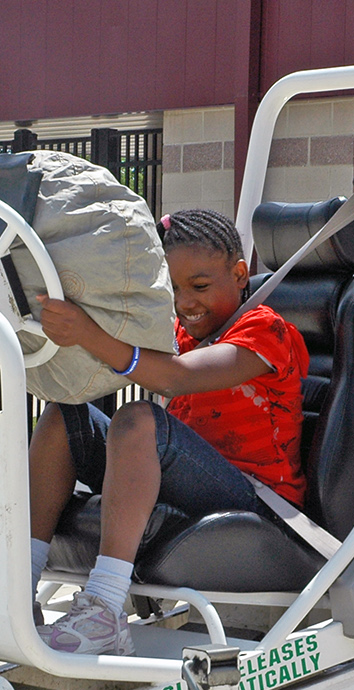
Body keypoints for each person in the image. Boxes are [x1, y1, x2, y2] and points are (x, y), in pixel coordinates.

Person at [28, 208, 309, 655]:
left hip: (256, 500)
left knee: (139, 419)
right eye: (173, 290)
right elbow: (121, 357)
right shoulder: (178, 330)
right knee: (67, 413)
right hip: (185, 482)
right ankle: (20, 585)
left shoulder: (267, 331)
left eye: (199, 287)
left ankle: (104, 608)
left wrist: (86, 333)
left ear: (240, 275)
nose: (185, 303)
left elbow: (173, 377)